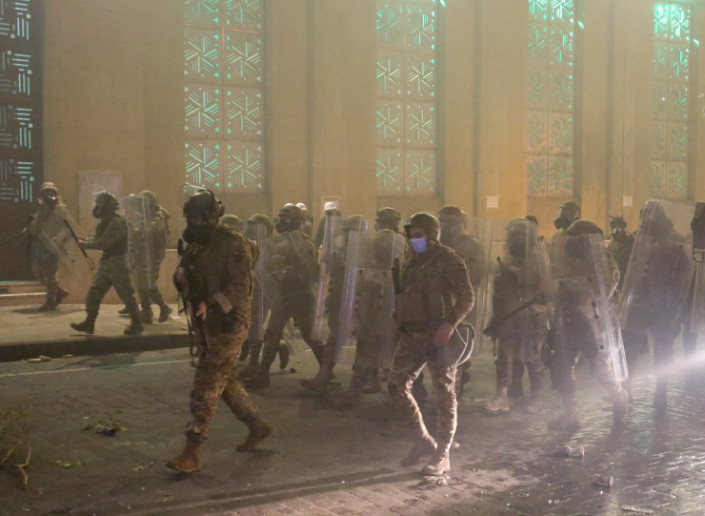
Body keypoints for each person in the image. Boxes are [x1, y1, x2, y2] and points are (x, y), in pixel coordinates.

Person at [167, 188, 272, 473]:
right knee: (225, 381)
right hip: (206, 322)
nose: (194, 223)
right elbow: (186, 273)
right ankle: (257, 426)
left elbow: (240, 287)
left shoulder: (233, 244)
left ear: (213, 216)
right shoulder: (196, 244)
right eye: (190, 218)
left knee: (206, 384)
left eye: (199, 218)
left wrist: (210, 302)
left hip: (229, 323)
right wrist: (181, 279)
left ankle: (192, 450)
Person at [388, 212, 474, 476]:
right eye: (412, 236)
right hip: (412, 334)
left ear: (432, 235)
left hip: (439, 335)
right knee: (396, 385)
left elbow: (467, 298)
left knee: (444, 393)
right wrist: (400, 313)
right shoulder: (411, 261)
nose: (414, 240)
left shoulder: (450, 260)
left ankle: (443, 454)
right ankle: (423, 439)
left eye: (419, 235)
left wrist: (449, 325)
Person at [548, 220, 628, 430]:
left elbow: (603, 289)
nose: (570, 242)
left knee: (603, 369)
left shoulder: (604, 262)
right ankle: (571, 413)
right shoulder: (569, 260)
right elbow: (558, 283)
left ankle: (620, 400)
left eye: (575, 238)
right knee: (562, 367)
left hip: (593, 324)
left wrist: (571, 285)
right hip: (569, 320)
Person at [243, 204, 326, 389]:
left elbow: (309, 270)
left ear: (297, 221)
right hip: (283, 294)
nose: (281, 222)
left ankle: (326, 370)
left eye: (286, 218)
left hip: (300, 295)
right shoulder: (280, 241)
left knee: (309, 335)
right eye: (280, 218)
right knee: (272, 333)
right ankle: (263, 373)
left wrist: (286, 272)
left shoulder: (304, 242)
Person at [483, 219, 549, 414]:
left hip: (531, 317)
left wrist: (513, 269)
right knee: (504, 357)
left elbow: (534, 282)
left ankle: (536, 396)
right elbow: (499, 290)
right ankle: (501, 395)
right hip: (509, 316)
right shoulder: (507, 258)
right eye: (514, 236)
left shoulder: (539, 258)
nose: (517, 240)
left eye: (521, 236)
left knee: (532, 358)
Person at [70, 192, 143, 336]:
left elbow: (103, 242)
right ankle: (89, 322)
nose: (97, 207)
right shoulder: (105, 223)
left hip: (117, 263)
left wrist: (85, 244)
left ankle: (137, 323)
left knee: (126, 294)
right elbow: (99, 239)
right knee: (94, 292)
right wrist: (85, 241)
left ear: (107, 207)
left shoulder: (117, 223)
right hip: (107, 262)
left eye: (99, 204)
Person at [128, 191, 172, 324]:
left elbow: (154, 227)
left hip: (153, 254)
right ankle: (146, 311)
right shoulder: (143, 214)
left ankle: (163, 306)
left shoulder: (159, 214)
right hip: (143, 252)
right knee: (141, 282)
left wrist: (138, 230)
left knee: (148, 282)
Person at [27, 182, 70, 311]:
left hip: (54, 247)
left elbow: (68, 229)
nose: (49, 195)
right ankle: (60, 292)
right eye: (46, 193)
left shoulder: (60, 210)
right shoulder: (42, 210)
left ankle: (50, 301)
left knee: (50, 274)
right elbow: (35, 228)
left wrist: (59, 241)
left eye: (51, 192)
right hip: (42, 246)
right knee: (41, 273)